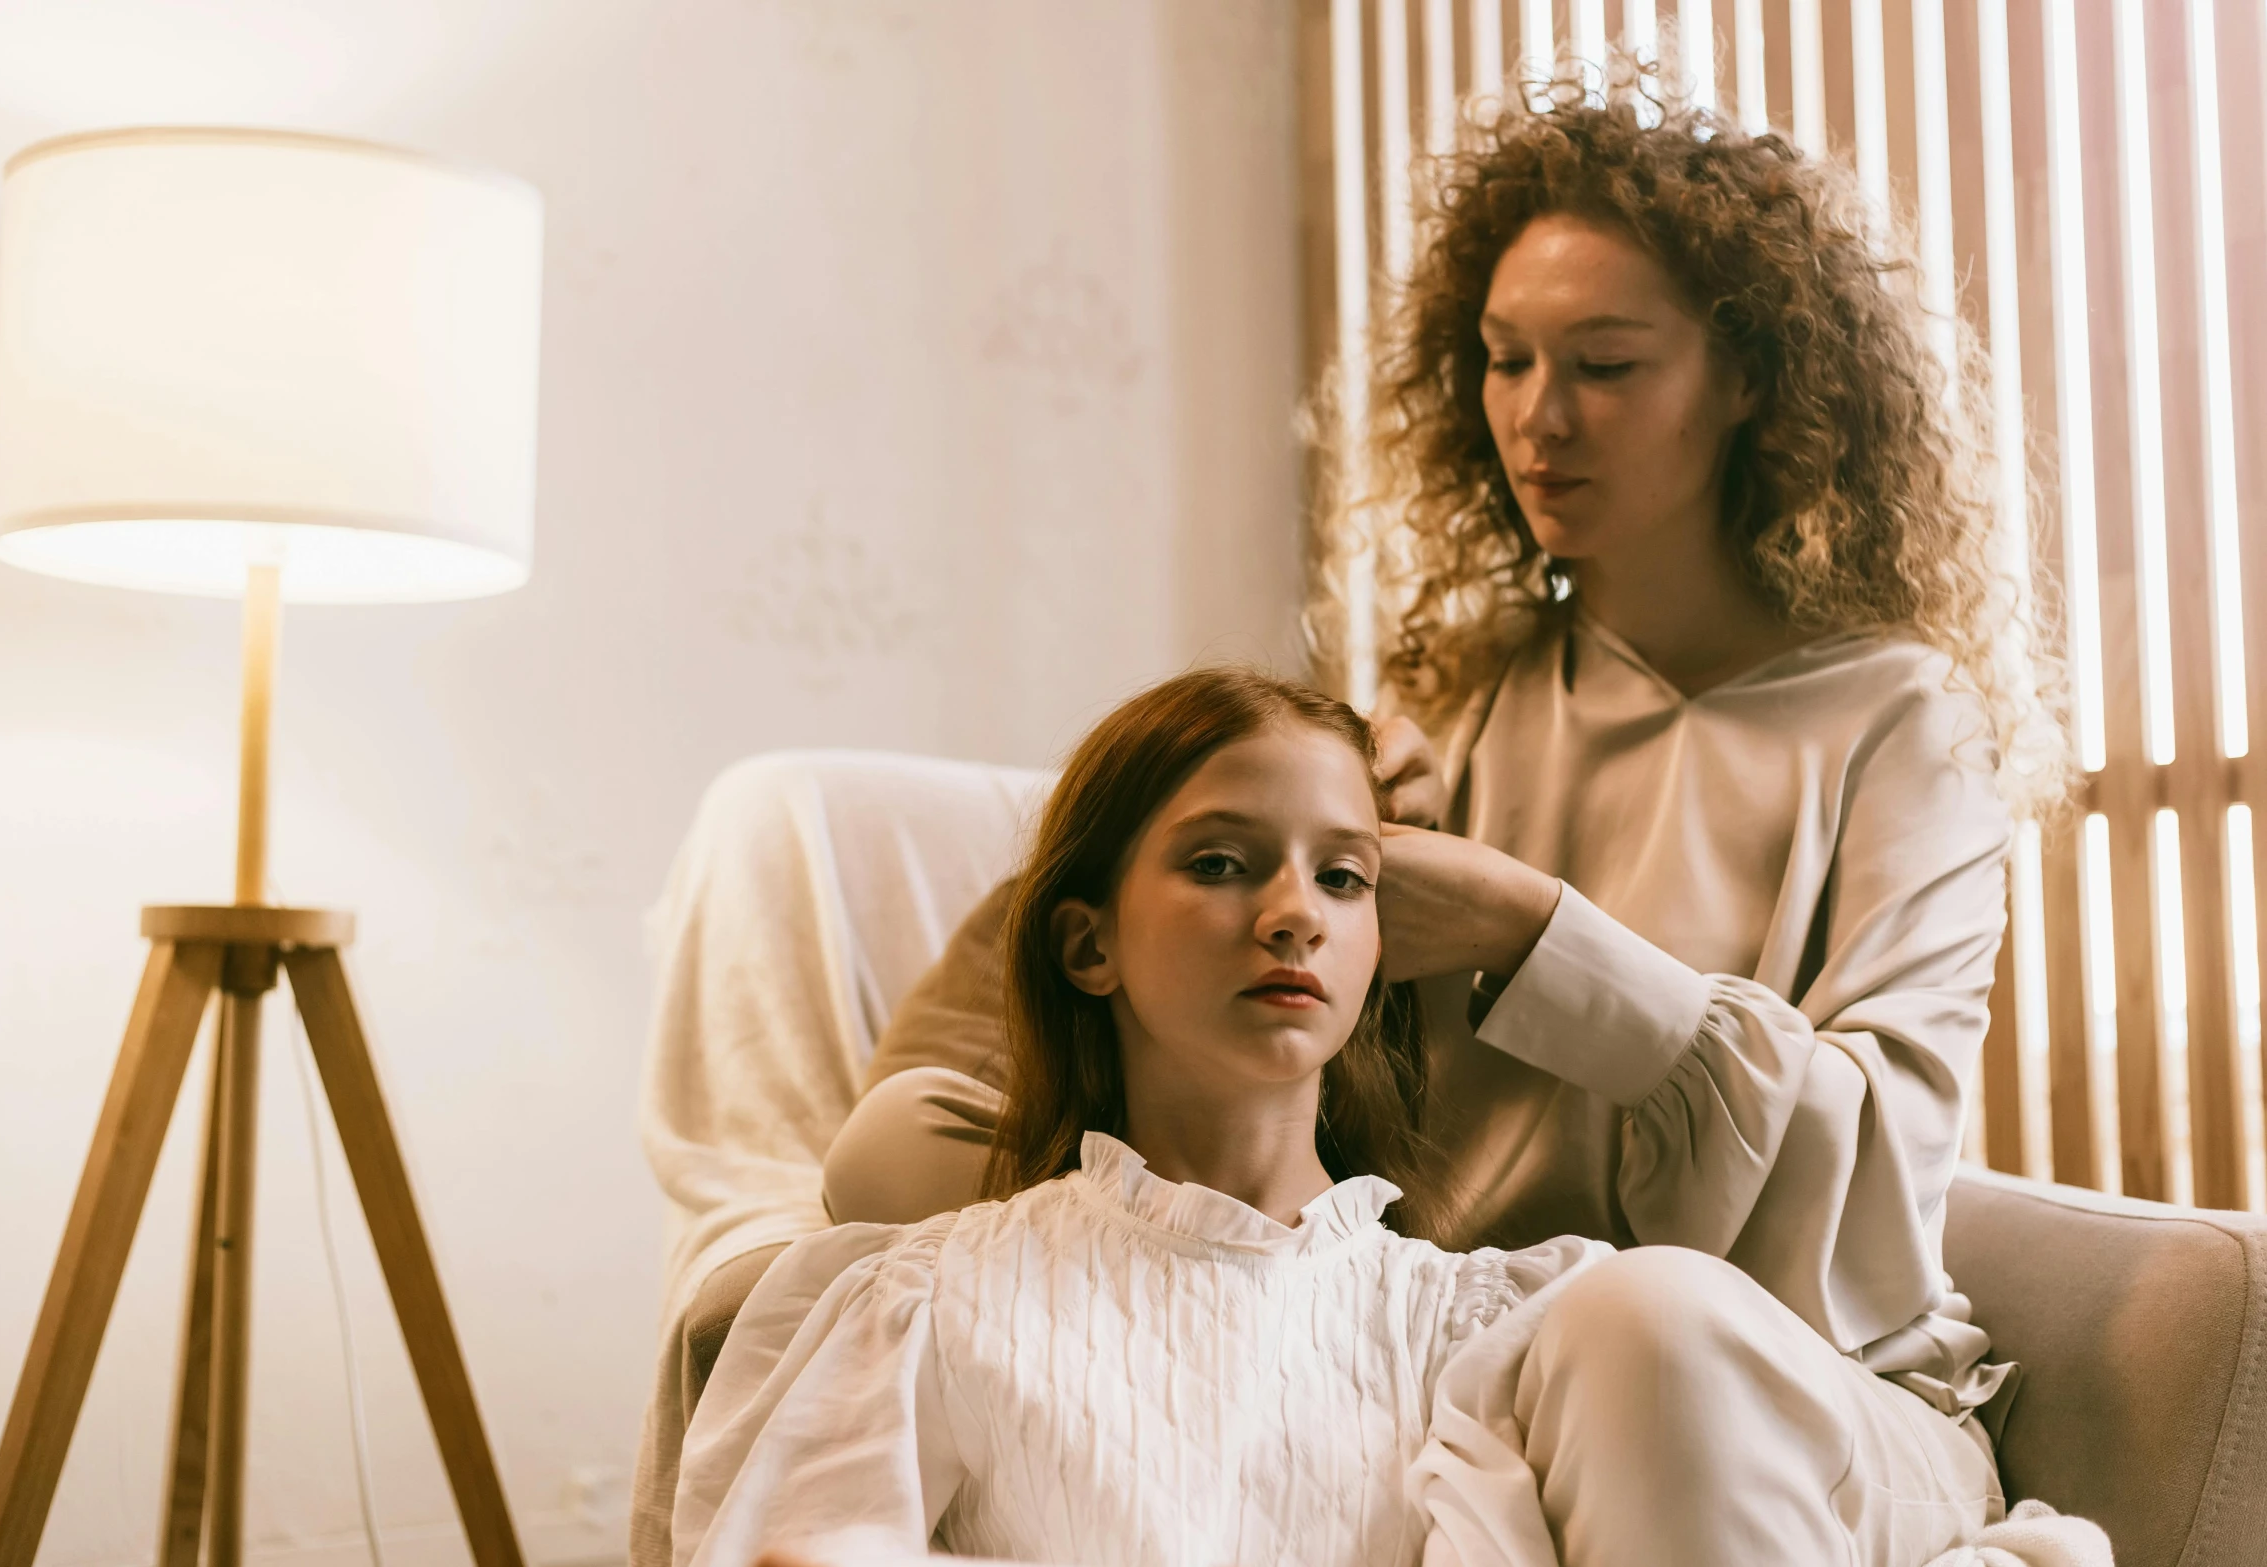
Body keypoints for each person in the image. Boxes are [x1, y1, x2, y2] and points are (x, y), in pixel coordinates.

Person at [820, 69, 2070, 1565]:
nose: (1537, 418)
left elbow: (1878, 1166)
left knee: (1637, 1316)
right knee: (900, 1150)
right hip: (1446, 1346)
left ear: (1749, 378)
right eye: (1502, 358)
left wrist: (1531, 929)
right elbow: (1043, 969)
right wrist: (1299, 863)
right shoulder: (1449, 697)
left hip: (1794, 1377)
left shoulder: (1902, 719)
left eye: (1604, 364)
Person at [671, 668, 1611, 1567]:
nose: (1297, 915)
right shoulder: (932, 1302)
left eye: (1342, 876)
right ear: (1089, 943)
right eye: (1218, 862)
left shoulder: (1484, 1334)